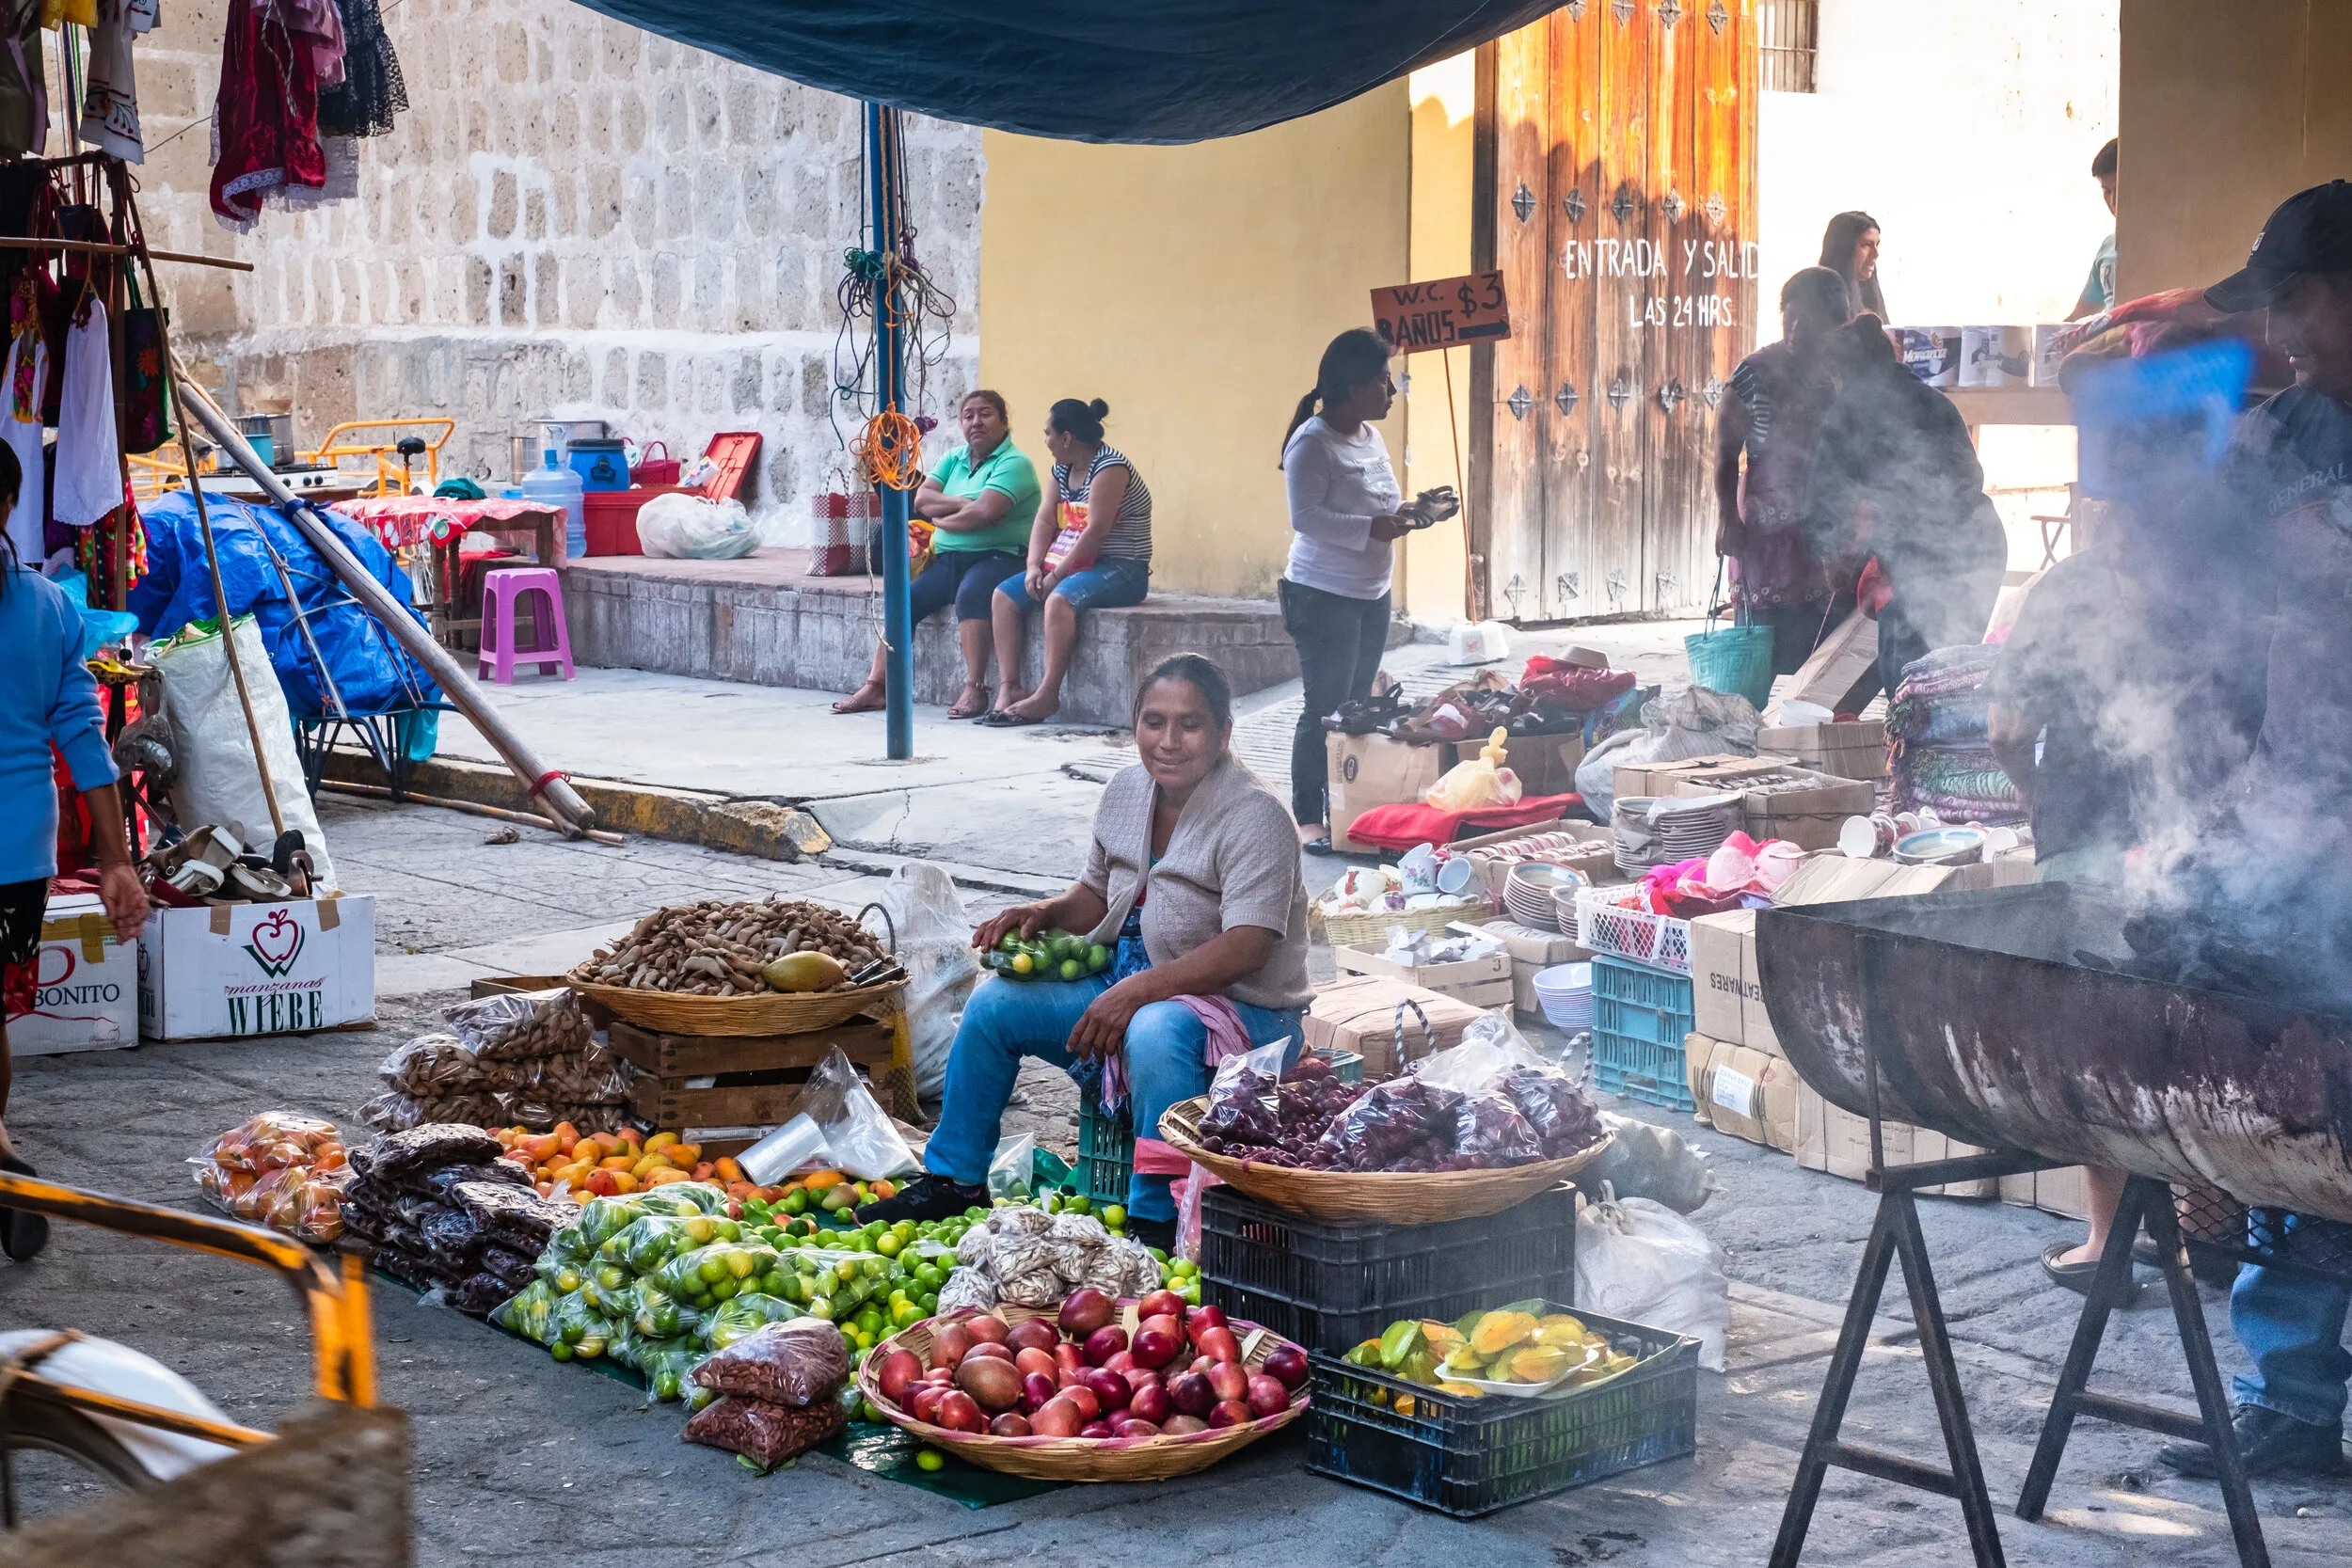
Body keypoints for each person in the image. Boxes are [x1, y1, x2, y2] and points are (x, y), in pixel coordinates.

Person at [861, 655, 1311, 1244]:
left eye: (1190, 725)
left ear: (1225, 733)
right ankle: (954, 1179)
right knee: (995, 1005)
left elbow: (1249, 946)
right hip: (1132, 986)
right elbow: (1098, 893)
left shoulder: (1257, 816)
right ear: (1135, 724)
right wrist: (1042, 913)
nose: (1169, 741)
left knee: (1154, 1029)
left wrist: (1138, 991)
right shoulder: (1126, 792)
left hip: (1243, 1014)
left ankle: (1158, 1219)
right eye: (1154, 722)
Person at [2150, 179, 2352, 1481]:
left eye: (2293, 299)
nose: (2280, 330)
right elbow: (2187, 593)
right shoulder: (2287, 435)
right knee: (2295, 1097)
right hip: (2301, 817)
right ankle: (2293, 1391)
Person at [1986, 417, 2266, 1307]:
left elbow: (2006, 726)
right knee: (2203, 1030)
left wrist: (2032, 802)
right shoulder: (2226, 585)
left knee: (2097, 1039)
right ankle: (2212, 1234)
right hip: (2210, 841)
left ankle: (2109, 1241)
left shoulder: (2063, 591)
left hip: (2085, 837)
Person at [0, 440, 146, 1263]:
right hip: (18, 855)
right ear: (9, 505)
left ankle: (5, 1158)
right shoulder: (52, 608)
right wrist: (116, 859)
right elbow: (88, 742)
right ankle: (2, 1152)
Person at [1807, 314, 2008, 701]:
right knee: (1950, 677)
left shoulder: (1848, 411)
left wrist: (1835, 560)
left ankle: (1914, 759)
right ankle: (1944, 756)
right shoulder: (1936, 400)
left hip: (1923, 561)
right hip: (1982, 545)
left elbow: (1827, 503)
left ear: (1840, 370)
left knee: (1908, 683)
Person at [1278, 327, 1411, 849]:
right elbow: (1306, 516)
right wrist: (1371, 530)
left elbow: (1376, 501)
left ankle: (1349, 806)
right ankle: (1308, 815)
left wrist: (1407, 515)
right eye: (1382, 380)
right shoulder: (1311, 442)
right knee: (1325, 707)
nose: (1391, 391)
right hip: (1322, 594)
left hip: (1371, 590)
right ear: (1354, 386)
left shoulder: (1370, 437)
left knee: (1360, 705)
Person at [833, 390, 1042, 721]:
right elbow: (922, 501)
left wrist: (949, 517)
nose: (976, 422)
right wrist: (963, 505)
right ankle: (877, 685)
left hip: (1000, 557)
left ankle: (975, 688)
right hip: (948, 558)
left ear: (1003, 422)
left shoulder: (1015, 463)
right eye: (968, 415)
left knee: (972, 593)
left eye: (985, 414)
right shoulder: (953, 458)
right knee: (904, 598)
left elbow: (985, 513)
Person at [979, 398, 1152, 726]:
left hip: (1121, 568)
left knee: (1059, 600)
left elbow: (1097, 530)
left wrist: (1057, 575)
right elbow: (1044, 520)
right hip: (1074, 563)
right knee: (1003, 595)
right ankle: (1010, 687)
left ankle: (1048, 694)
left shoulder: (1110, 467)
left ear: (1067, 438)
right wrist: (1033, 566)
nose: (1045, 441)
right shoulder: (1061, 469)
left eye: (1048, 433)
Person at [1715, 267, 1854, 675]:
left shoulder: (1841, 377)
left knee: (1825, 650)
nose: (1794, 331)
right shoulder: (1752, 374)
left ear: (1833, 326)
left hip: (1826, 527)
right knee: (1764, 651)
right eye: (1788, 319)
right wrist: (1727, 518)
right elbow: (1726, 457)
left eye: (1807, 322)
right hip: (1765, 533)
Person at [2066, 139, 2121, 323]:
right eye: (2107, 191)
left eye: (2120, 190)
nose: (2113, 202)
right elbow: (2078, 315)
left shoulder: (2166, 247)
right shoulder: (2108, 246)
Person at [1820, 211, 1886, 321]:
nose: (1876, 253)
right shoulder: (1817, 301)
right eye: (1866, 245)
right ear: (1843, 248)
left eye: (1876, 245)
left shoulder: (1870, 299)